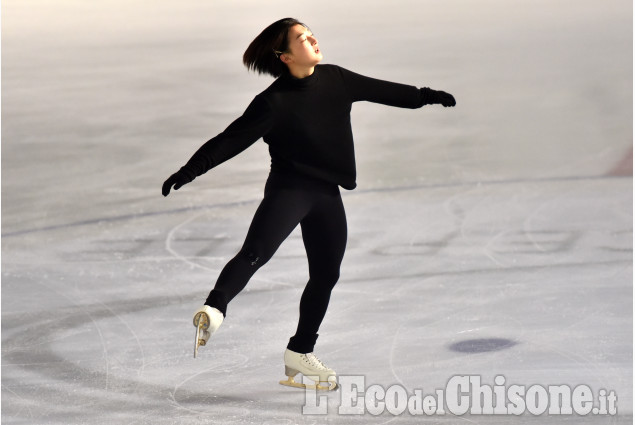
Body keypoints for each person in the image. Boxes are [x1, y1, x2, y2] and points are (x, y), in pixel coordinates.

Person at [162, 17, 456, 390]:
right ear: (284, 56)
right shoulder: (272, 103)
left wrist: (426, 95)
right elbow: (229, 140)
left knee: (326, 275)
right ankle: (214, 308)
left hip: (326, 196)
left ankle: (300, 351)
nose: (312, 38)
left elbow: (383, 91)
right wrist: (190, 170)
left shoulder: (336, 79)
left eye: (310, 32)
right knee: (255, 253)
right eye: (302, 37)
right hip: (290, 191)